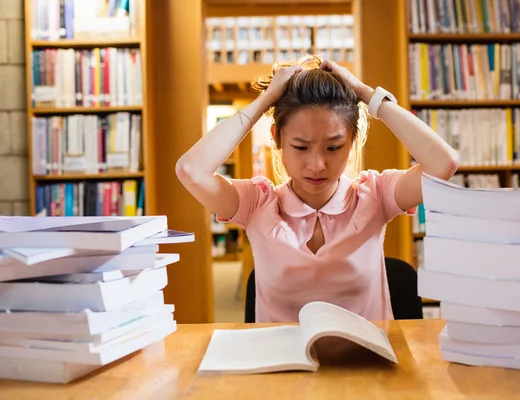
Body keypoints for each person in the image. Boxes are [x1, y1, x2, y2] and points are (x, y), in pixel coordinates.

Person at [176, 55, 459, 323]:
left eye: (333, 147)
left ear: (352, 141)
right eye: (301, 147)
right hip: (283, 369)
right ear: (277, 138)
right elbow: (191, 170)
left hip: (367, 370)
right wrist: (265, 101)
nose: (317, 165)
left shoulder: (376, 194)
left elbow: (443, 163)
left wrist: (365, 93)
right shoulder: (256, 203)